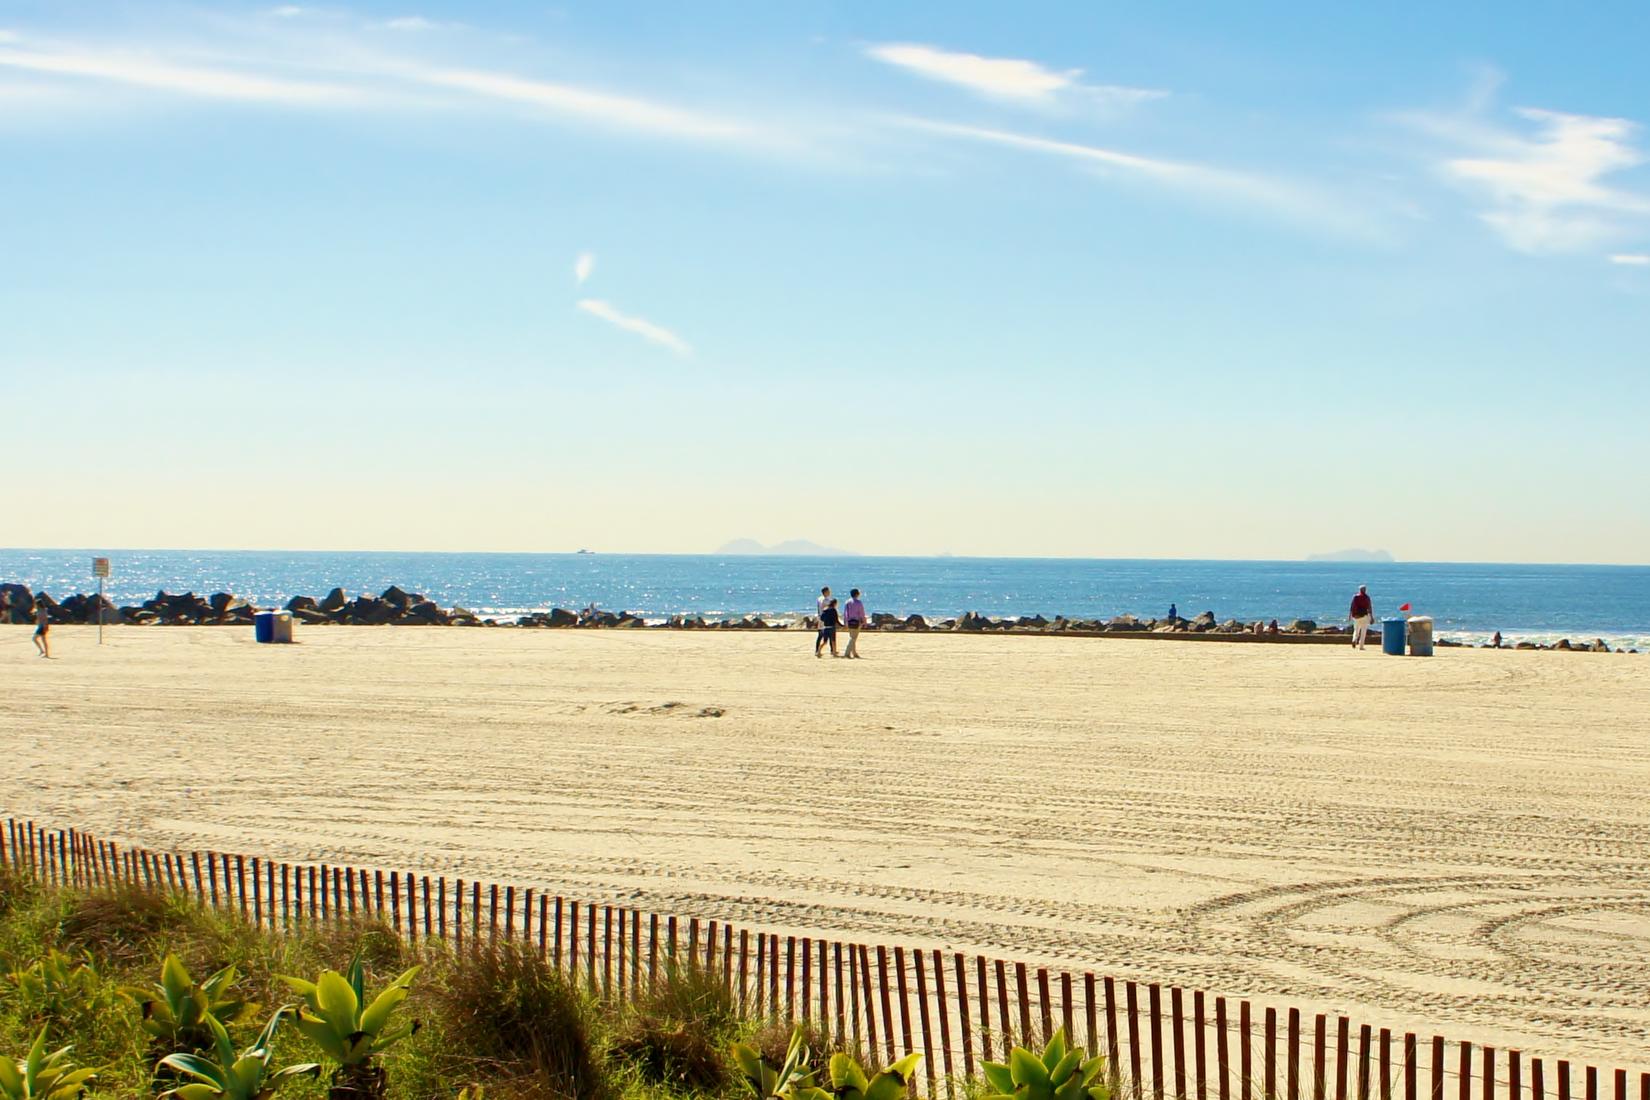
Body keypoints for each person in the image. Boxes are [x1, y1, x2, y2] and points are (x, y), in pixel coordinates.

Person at [1349, 585, 1374, 650]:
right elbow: (1369, 608)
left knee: (1356, 630)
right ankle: (1361, 646)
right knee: (1363, 631)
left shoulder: (1355, 597)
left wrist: (1350, 615)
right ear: (1365, 590)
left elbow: (1351, 607)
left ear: (1359, 590)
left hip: (1356, 616)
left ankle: (1354, 639)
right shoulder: (1367, 597)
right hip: (1364, 616)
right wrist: (1371, 617)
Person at [843, 589, 866, 659]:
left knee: (852, 637)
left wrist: (845, 622)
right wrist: (864, 621)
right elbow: (861, 613)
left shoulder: (847, 602)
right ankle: (847, 652)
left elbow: (845, 613)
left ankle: (854, 652)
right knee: (853, 638)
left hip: (849, 621)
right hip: (857, 621)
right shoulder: (858, 602)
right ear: (857, 594)